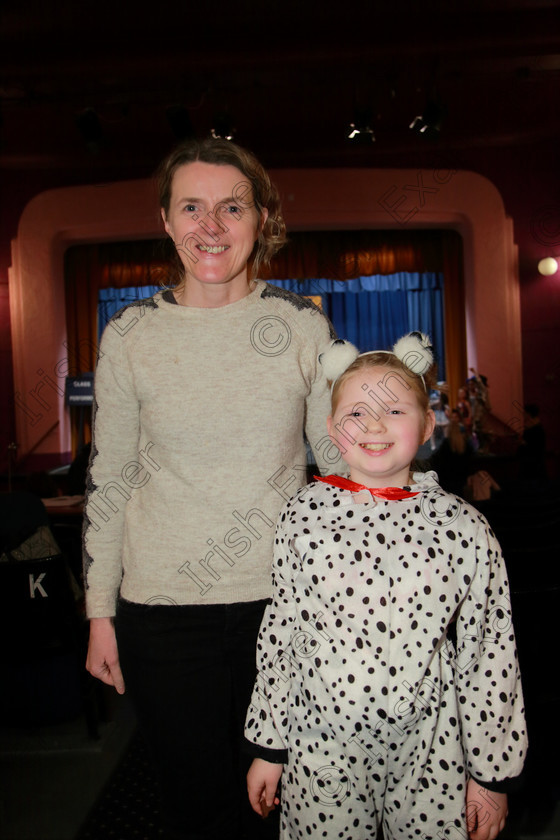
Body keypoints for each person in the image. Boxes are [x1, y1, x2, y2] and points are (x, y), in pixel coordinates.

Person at [83, 137, 343, 840]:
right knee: (196, 809)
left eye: (232, 207)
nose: (211, 226)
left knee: (287, 805)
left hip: (285, 606)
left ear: (261, 217)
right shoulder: (130, 335)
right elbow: (110, 479)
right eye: (191, 207)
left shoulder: (300, 325)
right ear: (166, 221)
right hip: (163, 614)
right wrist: (98, 610)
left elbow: (339, 469)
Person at [245, 333, 527, 840]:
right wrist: (270, 748)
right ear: (331, 429)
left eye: (394, 410)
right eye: (355, 413)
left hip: (431, 751)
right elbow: (280, 635)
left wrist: (491, 775)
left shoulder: (463, 528)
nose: (373, 424)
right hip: (320, 748)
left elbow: (489, 652)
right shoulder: (301, 517)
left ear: (427, 426)